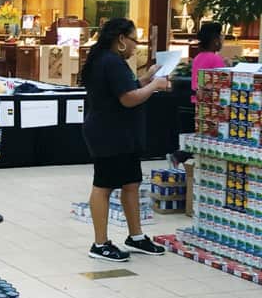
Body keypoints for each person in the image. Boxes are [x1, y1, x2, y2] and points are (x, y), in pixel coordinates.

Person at [81, 17, 170, 262]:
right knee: (104, 185)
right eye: (134, 40)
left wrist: (148, 78)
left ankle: (136, 236)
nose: (136, 46)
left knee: (131, 182)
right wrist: (155, 86)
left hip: (121, 133)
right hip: (109, 134)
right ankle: (100, 243)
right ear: (121, 39)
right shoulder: (110, 62)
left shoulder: (109, 60)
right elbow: (128, 98)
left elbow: (127, 87)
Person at [191, 21, 224, 103]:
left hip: (197, 101)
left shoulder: (198, 57)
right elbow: (223, 84)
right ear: (215, 40)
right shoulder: (215, 59)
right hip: (211, 105)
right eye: (221, 37)